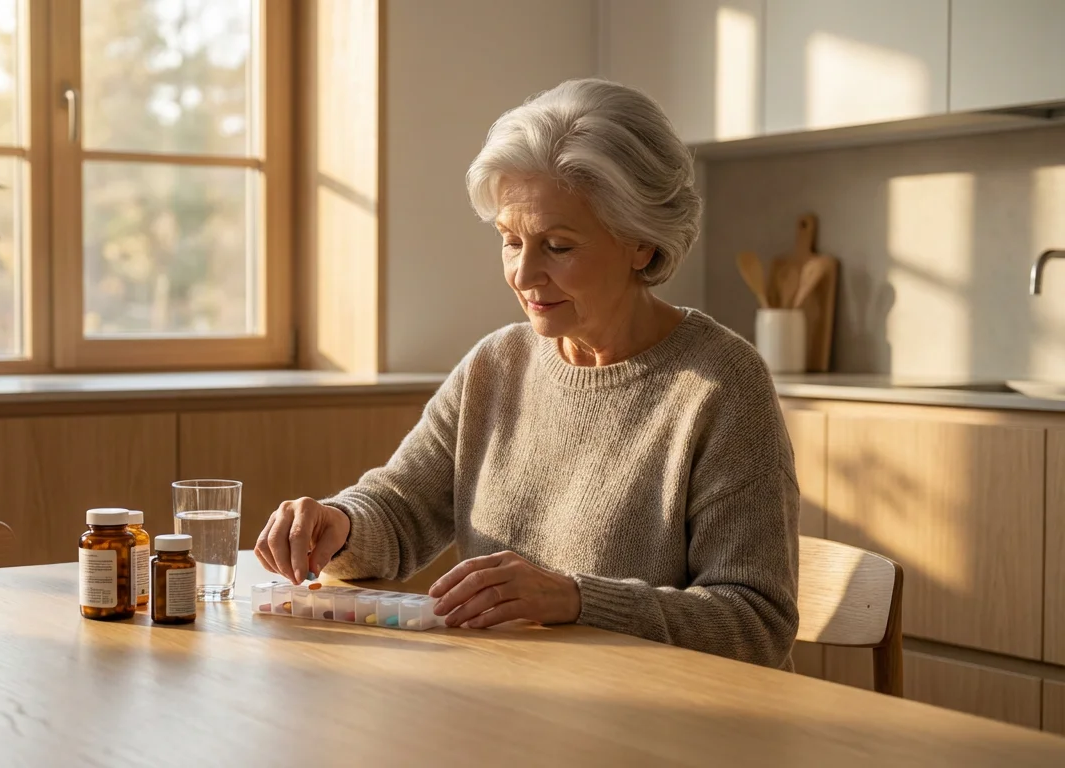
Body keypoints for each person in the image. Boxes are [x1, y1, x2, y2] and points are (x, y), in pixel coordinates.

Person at [254, 78, 799, 669]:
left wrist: (577, 599)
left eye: (558, 246)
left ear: (641, 243)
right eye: (510, 241)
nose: (523, 273)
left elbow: (756, 623)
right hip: (518, 700)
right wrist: (339, 523)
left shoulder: (720, 384)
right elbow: (401, 508)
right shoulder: (497, 364)